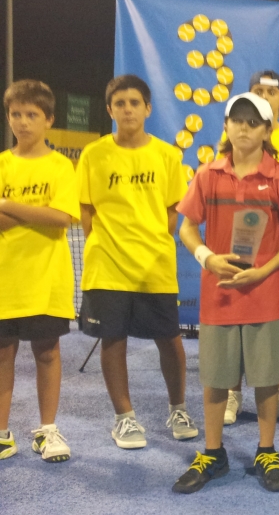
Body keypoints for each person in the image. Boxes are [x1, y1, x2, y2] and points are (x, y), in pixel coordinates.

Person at [173, 93, 279, 494]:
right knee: (215, 380)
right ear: (226, 126)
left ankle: (267, 450)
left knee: (266, 381)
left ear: (267, 131)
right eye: (237, 120)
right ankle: (214, 453)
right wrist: (206, 258)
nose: (244, 128)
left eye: (253, 122)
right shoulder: (207, 175)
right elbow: (186, 227)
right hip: (221, 296)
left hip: (269, 296)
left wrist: (263, 271)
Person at [78, 74, 197, 450]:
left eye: (134, 103)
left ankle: (178, 408)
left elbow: (173, 210)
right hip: (107, 264)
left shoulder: (167, 155)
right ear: (110, 109)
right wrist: (106, 241)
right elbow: (86, 208)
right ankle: (124, 418)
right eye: (120, 103)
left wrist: (149, 240)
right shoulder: (93, 153)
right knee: (113, 340)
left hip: (155, 266)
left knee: (170, 340)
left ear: (147, 108)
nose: (127, 109)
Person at [0, 80, 79, 462]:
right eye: (16, 114)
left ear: (49, 119)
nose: (23, 122)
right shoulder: (1, 163)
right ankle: (1, 433)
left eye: (32, 115)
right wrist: (35, 213)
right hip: (5, 282)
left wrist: (6, 203)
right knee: (2, 356)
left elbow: (61, 218)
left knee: (47, 354)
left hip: (48, 281)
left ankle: (47, 431)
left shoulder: (62, 165)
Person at [221, 70, 279, 422]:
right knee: (234, 325)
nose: (266, 95)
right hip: (237, 252)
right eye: (258, 90)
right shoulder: (233, 140)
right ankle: (232, 393)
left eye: (272, 91)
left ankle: (274, 387)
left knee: (278, 325)